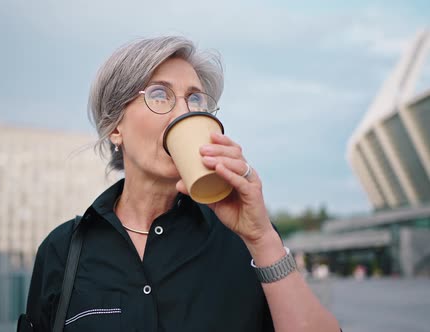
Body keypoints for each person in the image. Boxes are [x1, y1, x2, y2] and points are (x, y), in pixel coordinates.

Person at [25, 36, 341, 332]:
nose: (184, 112)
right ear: (115, 127)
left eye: (194, 98)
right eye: (159, 94)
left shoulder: (243, 238)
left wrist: (262, 239)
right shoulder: (63, 250)